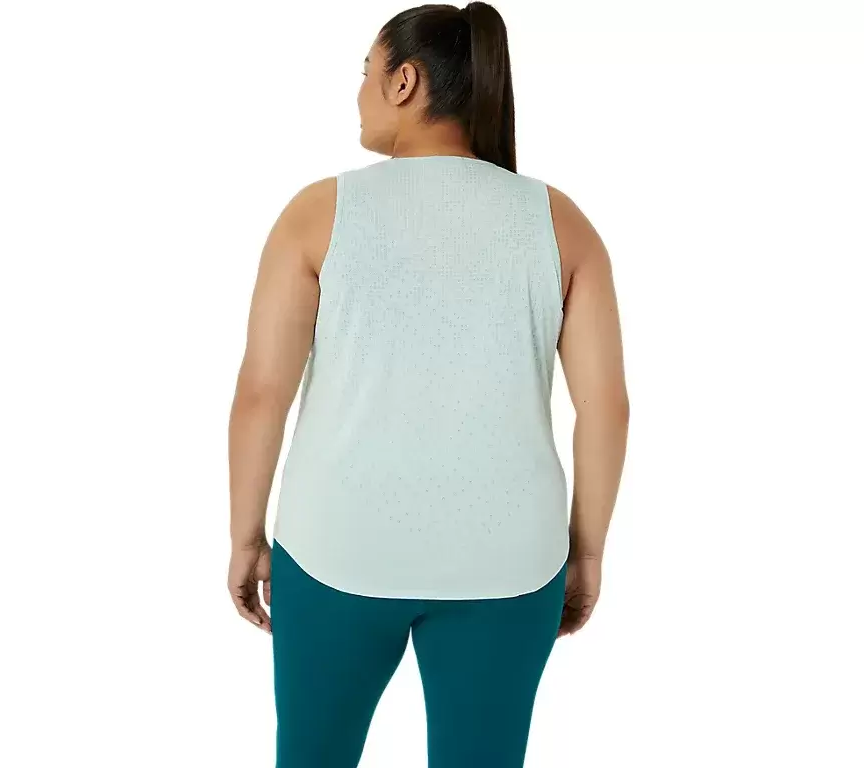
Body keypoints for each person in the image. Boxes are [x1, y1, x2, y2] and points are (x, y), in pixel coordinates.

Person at [227, 3, 629, 766]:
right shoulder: (562, 224)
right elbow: (606, 407)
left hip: (337, 545)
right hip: (510, 561)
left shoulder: (318, 214)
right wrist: (586, 552)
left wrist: (247, 535)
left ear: (404, 81)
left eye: (366, 73)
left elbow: (260, 393)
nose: (359, 93)